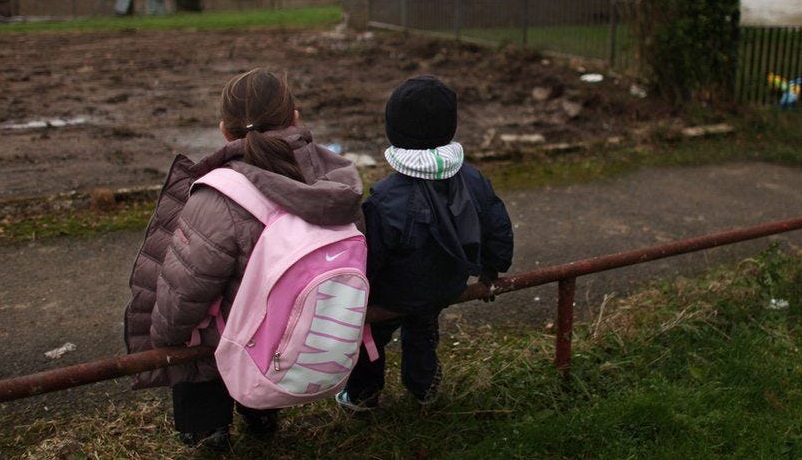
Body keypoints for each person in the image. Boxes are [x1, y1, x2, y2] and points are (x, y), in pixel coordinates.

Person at [123, 69, 364, 450]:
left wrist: (165, 341)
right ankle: (261, 414)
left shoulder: (220, 195)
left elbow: (186, 288)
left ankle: (208, 434)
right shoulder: (335, 179)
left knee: (198, 347)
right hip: (291, 333)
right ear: (295, 118)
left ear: (224, 130)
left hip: (231, 337)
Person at [336, 75, 514, 411]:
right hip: (447, 283)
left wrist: (361, 292)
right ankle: (424, 389)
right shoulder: (473, 179)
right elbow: (497, 224)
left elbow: (369, 256)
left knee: (371, 337)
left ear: (394, 132)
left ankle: (362, 396)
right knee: (422, 333)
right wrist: (493, 268)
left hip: (392, 293)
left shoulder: (386, 200)